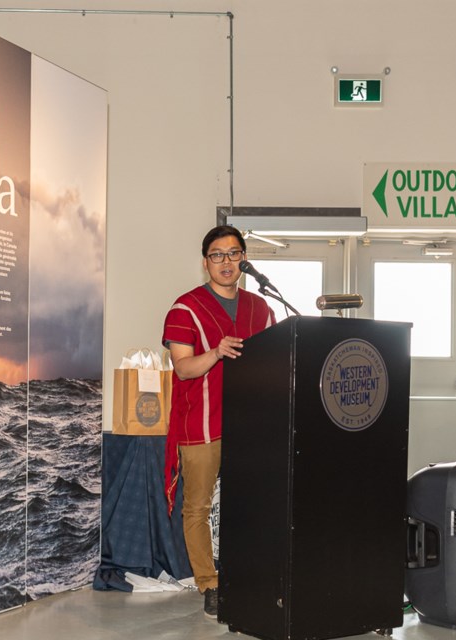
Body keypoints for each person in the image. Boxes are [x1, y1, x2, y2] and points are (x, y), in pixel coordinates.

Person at [162, 225, 276, 619]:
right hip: (202, 424)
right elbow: (182, 368)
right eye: (217, 255)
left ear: (244, 258)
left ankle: (247, 574)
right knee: (198, 508)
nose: (226, 262)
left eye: (233, 254)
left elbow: (274, 362)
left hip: (250, 426)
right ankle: (209, 584)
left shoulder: (261, 309)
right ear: (205, 260)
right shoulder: (184, 308)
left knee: (251, 505)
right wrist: (215, 352)